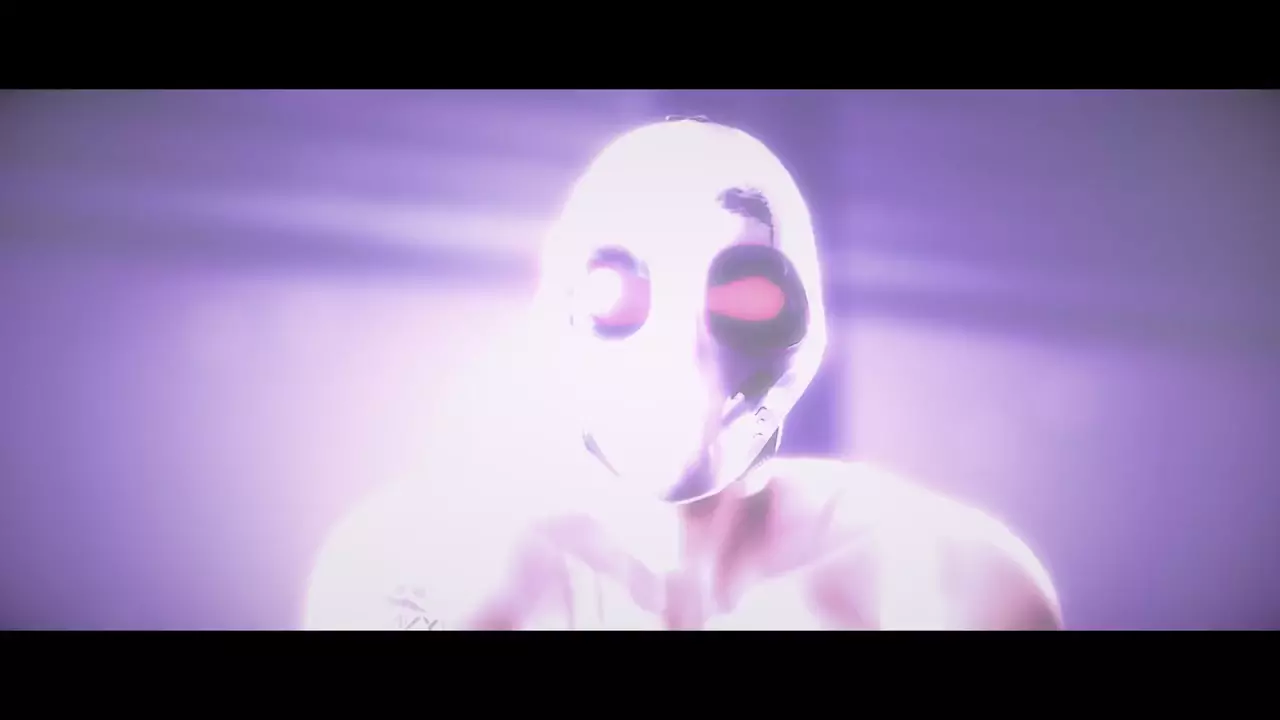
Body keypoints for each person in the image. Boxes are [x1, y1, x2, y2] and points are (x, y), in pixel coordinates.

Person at [303, 118, 1062, 630]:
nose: (684, 348)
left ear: (810, 327)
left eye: (744, 295)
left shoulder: (942, 584)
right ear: (554, 309)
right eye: (620, 289)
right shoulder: (424, 567)